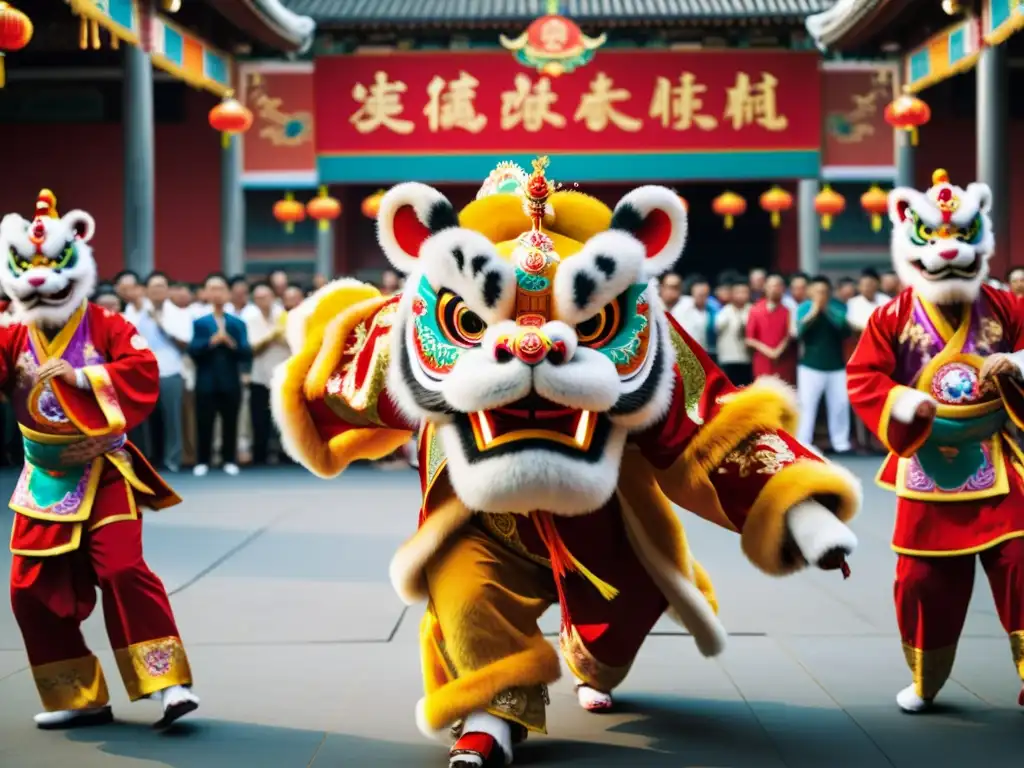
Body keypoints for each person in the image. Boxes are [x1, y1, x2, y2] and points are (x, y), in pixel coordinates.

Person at [274, 160, 859, 767]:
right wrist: (318, 352)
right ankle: (488, 716)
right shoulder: (418, 315)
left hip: (598, 507)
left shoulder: (629, 314)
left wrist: (799, 508)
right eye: (474, 320)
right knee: (466, 596)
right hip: (477, 511)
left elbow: (706, 417)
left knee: (617, 628)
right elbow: (341, 377)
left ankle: (591, 665)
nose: (530, 344)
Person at [0, 190, 198, 729]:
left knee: (122, 568)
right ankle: (78, 696)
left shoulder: (106, 324)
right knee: (28, 590)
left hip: (106, 469)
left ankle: (168, 683)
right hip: (43, 476)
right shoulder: (11, 331)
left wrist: (82, 376)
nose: (42, 282)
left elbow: (143, 370)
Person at [848, 168, 1024, 713]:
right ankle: (925, 679)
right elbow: (864, 378)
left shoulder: (1005, 308)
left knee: (1021, 561)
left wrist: (1016, 363)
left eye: (961, 240)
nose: (949, 253)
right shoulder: (892, 316)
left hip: (998, 456)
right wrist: (904, 401)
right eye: (934, 241)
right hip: (928, 456)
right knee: (922, 579)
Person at [123, 272, 193, 472]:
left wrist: (161, 325)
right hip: (143, 373)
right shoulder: (135, 311)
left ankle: (173, 459)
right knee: (144, 420)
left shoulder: (179, 314)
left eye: (161, 287)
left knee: (172, 418)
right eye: (153, 287)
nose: (157, 291)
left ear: (168, 290)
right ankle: (147, 459)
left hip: (171, 371)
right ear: (146, 290)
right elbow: (128, 337)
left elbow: (184, 343)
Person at [189, 273, 251, 477]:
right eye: (212, 289)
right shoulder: (200, 322)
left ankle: (229, 459)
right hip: (206, 380)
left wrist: (231, 344)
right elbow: (193, 351)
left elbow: (245, 352)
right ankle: (203, 460)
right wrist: (212, 342)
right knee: (204, 421)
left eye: (220, 289)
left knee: (230, 421)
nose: (216, 293)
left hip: (231, 380)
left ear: (228, 293)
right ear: (206, 293)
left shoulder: (237, 322)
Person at [795, 276, 852, 454]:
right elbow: (800, 331)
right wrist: (814, 311)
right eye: (818, 291)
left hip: (836, 366)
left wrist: (826, 310)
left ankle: (841, 443)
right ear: (810, 291)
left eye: (825, 292)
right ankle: (803, 442)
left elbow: (845, 330)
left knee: (840, 405)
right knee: (807, 405)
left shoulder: (838, 307)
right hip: (810, 366)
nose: (821, 295)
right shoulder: (804, 307)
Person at [246, 282, 289, 465]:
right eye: (257, 298)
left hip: (283, 375)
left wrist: (274, 337)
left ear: (273, 297)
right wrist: (272, 336)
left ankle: (286, 455)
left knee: (285, 419)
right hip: (259, 375)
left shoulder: (285, 316)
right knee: (259, 419)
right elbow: (253, 348)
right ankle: (260, 456)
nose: (261, 301)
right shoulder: (250, 318)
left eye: (264, 297)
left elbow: (294, 342)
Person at [745, 273, 796, 385]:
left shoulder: (788, 311)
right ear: (765, 288)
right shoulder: (755, 310)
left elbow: (791, 335)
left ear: (783, 289)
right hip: (762, 362)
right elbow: (749, 339)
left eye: (778, 286)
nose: (774, 289)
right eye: (771, 286)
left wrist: (778, 351)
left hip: (784, 362)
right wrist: (769, 352)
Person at [713, 278, 753, 386]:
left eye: (744, 292)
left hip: (747, 360)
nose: (741, 295)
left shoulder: (752, 310)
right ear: (731, 294)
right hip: (728, 359)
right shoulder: (724, 312)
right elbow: (717, 327)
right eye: (737, 292)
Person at [674, 274, 713, 351]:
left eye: (705, 295)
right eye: (700, 295)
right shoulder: (682, 305)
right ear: (692, 292)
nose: (703, 298)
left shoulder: (710, 308)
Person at [846, 269, 888, 333]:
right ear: (859, 286)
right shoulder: (852, 302)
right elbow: (852, 322)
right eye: (864, 285)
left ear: (877, 284)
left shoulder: (886, 300)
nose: (866, 288)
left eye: (869, 284)